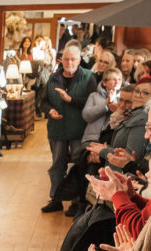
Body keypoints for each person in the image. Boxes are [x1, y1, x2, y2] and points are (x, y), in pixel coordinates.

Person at [41, 45, 96, 214]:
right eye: (66, 59)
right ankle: (56, 199)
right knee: (57, 165)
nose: (69, 62)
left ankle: (76, 201)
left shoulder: (88, 77)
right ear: (61, 60)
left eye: (73, 59)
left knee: (78, 165)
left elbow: (92, 102)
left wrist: (70, 99)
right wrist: (50, 110)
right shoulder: (53, 78)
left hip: (80, 130)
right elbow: (43, 102)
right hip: (57, 130)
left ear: (80, 60)